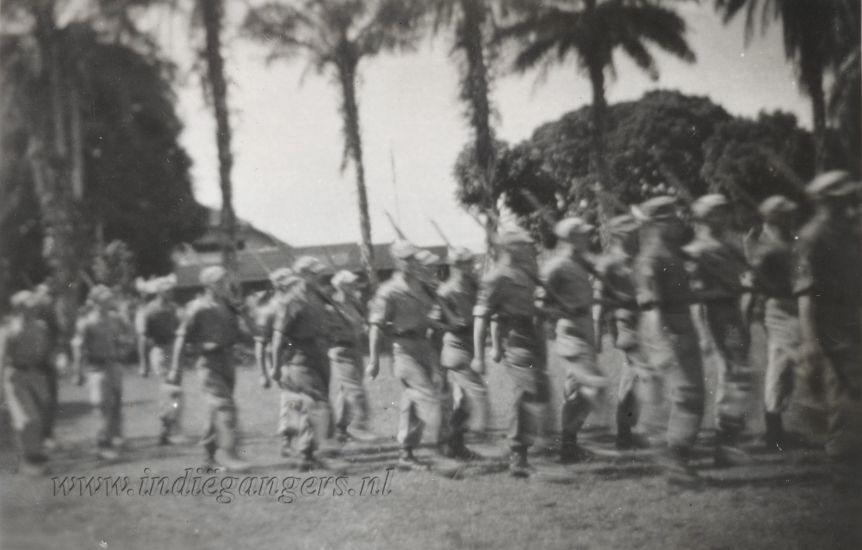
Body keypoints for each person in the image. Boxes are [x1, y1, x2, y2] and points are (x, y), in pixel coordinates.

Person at [793, 171, 862, 489]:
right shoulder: (813, 236)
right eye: (841, 198)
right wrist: (809, 340)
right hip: (832, 325)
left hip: (853, 318)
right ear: (825, 201)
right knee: (844, 395)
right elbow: (806, 294)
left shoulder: (847, 231)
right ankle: (842, 471)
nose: (848, 202)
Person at [633, 196, 705, 485]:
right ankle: (674, 459)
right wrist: (662, 344)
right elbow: (652, 307)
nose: (678, 223)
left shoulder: (671, 253)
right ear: (657, 224)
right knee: (686, 394)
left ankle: (677, 456)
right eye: (672, 219)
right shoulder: (652, 258)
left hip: (682, 325)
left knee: (692, 395)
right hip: (665, 328)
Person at [684, 194, 755, 467]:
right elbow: (694, 296)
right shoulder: (697, 250)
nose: (723, 217)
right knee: (731, 375)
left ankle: (731, 438)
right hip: (716, 314)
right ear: (704, 217)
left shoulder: (729, 244)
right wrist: (703, 333)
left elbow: (743, 277)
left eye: (724, 211)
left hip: (733, 313)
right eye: (716, 213)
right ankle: (724, 445)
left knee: (740, 374)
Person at [472, 230, 548, 477]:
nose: (529, 248)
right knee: (526, 391)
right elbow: (481, 316)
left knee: (537, 390)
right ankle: (518, 454)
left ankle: (533, 445)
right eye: (524, 246)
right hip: (513, 338)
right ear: (512, 249)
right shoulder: (496, 278)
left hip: (533, 334)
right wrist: (479, 356)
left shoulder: (526, 272)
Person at [367, 241, 446, 470]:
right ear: (397, 261)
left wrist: (442, 326)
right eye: (407, 259)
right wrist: (373, 361)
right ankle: (443, 441)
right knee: (425, 395)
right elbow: (375, 325)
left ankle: (406, 453)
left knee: (411, 401)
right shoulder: (389, 290)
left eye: (414, 257)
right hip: (402, 348)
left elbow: (428, 315)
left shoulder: (422, 286)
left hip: (423, 345)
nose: (412, 262)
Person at [540, 217, 608, 463]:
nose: (587, 238)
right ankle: (568, 443)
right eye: (582, 235)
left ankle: (569, 447)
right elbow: (539, 304)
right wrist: (562, 312)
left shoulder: (580, 263)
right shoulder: (555, 266)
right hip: (571, 330)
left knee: (576, 391)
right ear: (569, 238)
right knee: (594, 385)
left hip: (585, 326)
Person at [168, 266, 249, 472]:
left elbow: (241, 334)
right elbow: (181, 338)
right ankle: (229, 455)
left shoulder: (227, 307)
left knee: (216, 411)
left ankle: (209, 460)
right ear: (209, 285)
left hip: (227, 361)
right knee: (225, 408)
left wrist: (245, 318)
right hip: (208, 363)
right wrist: (175, 369)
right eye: (222, 282)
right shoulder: (196, 308)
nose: (226, 286)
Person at [748, 196, 805, 451]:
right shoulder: (768, 247)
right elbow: (752, 280)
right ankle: (773, 431)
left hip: (792, 305)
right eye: (785, 214)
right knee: (782, 364)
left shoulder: (787, 239)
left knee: (785, 368)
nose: (791, 217)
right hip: (779, 307)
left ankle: (776, 427)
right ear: (773, 217)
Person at [270, 256, 334, 470]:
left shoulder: (316, 296)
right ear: (304, 275)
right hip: (301, 357)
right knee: (315, 402)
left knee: (315, 402)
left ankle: (308, 453)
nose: (319, 276)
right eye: (315, 273)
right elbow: (279, 335)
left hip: (320, 354)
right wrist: (276, 365)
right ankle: (308, 453)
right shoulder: (292, 300)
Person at [594, 214, 652, 449]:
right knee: (645, 374)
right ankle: (627, 431)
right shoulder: (609, 263)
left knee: (633, 378)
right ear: (619, 235)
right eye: (631, 232)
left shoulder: (635, 259)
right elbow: (599, 301)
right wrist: (598, 334)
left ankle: (625, 433)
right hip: (624, 324)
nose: (636, 236)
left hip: (642, 324)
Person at [432, 246, 486, 459]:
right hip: (455, 347)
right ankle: (452, 442)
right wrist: (453, 326)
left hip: (470, 346)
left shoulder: (474, 285)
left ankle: (455, 445)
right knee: (472, 395)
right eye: (465, 263)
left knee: (463, 400)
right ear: (454, 265)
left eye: (470, 262)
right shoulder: (445, 291)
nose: (470, 266)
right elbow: (434, 322)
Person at [72, 285, 134, 460]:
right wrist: (78, 371)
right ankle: (102, 443)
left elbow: (129, 333)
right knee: (102, 405)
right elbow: (79, 347)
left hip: (114, 365)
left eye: (109, 299)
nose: (108, 303)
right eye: (104, 300)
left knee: (116, 403)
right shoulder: (87, 322)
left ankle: (116, 438)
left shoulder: (115, 319)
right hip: (97, 368)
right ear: (95, 302)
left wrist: (125, 348)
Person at [0, 291, 52, 475]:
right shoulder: (9, 329)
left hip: (36, 375)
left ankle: (26, 457)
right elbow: (2, 358)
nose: (35, 308)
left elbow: (45, 352)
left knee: (33, 419)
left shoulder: (40, 327)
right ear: (20, 308)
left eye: (35, 305)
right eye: (30, 305)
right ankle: (31, 460)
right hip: (16, 376)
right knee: (30, 418)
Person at [328, 269, 375, 442]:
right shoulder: (333, 305)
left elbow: (362, 320)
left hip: (355, 348)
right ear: (341, 286)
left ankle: (341, 429)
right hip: (341, 350)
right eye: (350, 283)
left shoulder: (354, 301)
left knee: (346, 390)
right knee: (355, 390)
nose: (355, 285)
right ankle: (359, 425)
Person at [137, 275, 183, 445]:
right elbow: (142, 338)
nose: (171, 293)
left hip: (173, 350)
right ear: (160, 293)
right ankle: (167, 426)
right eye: (167, 291)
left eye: (171, 291)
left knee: (176, 392)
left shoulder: (173, 309)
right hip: (159, 350)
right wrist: (143, 364)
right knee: (170, 389)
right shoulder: (149, 310)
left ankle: (168, 429)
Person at [31, 283, 61, 451]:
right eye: (45, 295)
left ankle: (48, 434)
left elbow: (55, 338)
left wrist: (54, 354)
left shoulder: (51, 318)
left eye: (49, 295)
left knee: (51, 399)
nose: (48, 299)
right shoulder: (32, 317)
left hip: (48, 363)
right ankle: (38, 437)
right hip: (33, 365)